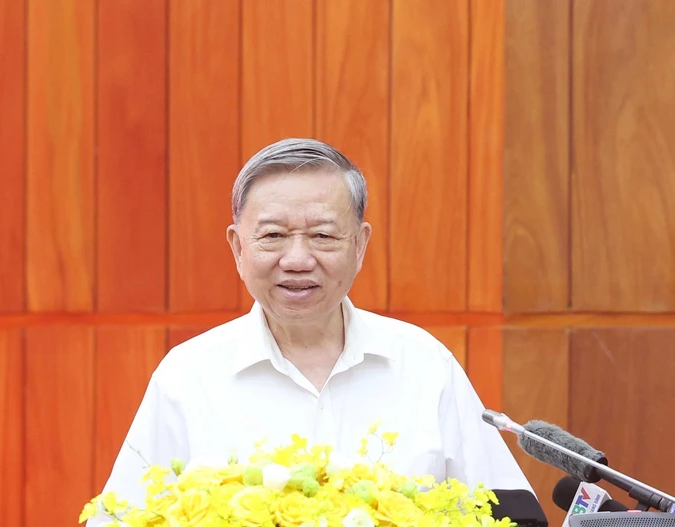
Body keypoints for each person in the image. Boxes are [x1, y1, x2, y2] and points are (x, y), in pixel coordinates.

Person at [87, 138, 533, 525]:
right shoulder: (187, 376)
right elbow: (122, 518)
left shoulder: (424, 364)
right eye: (274, 236)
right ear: (238, 247)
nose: (297, 259)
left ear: (359, 245)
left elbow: (507, 514)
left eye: (322, 236)